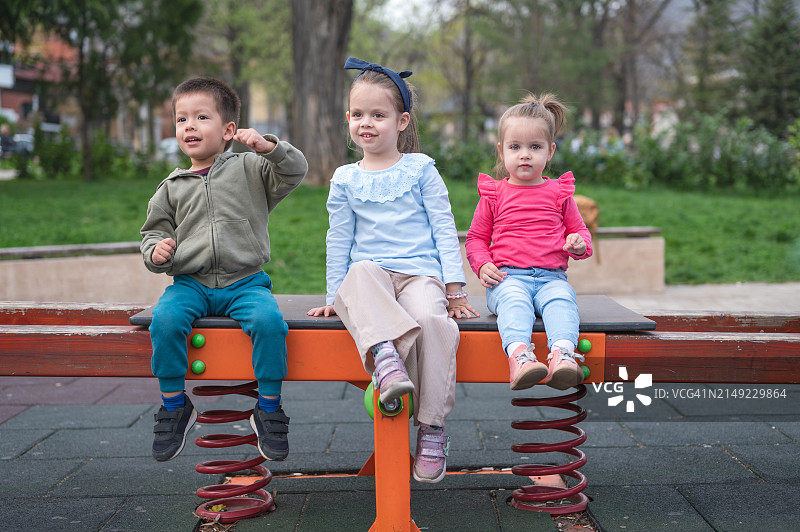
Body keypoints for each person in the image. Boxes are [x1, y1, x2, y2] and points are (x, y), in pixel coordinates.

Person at [308, 57, 478, 484]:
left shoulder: (420, 170)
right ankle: (386, 360)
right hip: (372, 281)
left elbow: (444, 228)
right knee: (360, 270)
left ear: (401, 121)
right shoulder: (345, 178)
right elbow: (338, 240)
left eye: (379, 115)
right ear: (348, 119)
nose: (367, 123)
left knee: (431, 321)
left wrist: (455, 290)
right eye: (359, 115)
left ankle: (433, 428)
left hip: (420, 276)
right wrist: (333, 298)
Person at [140, 77, 308, 462]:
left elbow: (295, 171)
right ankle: (173, 405)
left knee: (269, 322)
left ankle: (267, 408)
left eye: (201, 116)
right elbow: (152, 235)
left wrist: (270, 148)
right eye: (181, 119)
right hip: (190, 284)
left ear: (229, 130)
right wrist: (158, 252)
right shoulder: (172, 186)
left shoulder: (252, 169)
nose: (190, 126)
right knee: (164, 321)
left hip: (245, 282)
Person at [465, 93, 593, 391]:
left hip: (552, 278)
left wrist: (578, 244)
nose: (525, 154)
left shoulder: (560, 193)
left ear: (550, 152)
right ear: (501, 151)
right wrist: (483, 264)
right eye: (515, 147)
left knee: (563, 301)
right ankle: (520, 357)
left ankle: (563, 356)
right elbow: (476, 239)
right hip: (508, 279)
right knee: (515, 302)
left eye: (535, 147)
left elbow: (581, 233)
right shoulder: (494, 194)